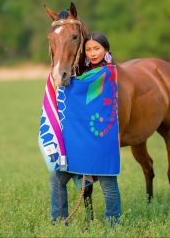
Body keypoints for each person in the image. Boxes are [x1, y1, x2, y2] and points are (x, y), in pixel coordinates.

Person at [50, 33, 121, 225]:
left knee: (108, 184)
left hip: (101, 140)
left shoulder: (108, 73)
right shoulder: (82, 72)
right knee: (57, 178)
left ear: (106, 50)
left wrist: (62, 84)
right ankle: (58, 221)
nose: (92, 53)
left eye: (96, 48)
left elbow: (79, 91)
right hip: (80, 142)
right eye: (88, 49)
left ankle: (113, 223)